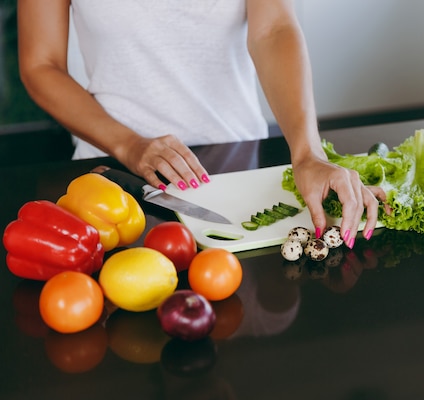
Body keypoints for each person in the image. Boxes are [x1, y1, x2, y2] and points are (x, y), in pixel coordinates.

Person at [17, 0, 386, 249]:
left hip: (239, 167)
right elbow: (41, 65)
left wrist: (308, 153)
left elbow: (273, 29)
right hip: (111, 176)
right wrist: (128, 145)